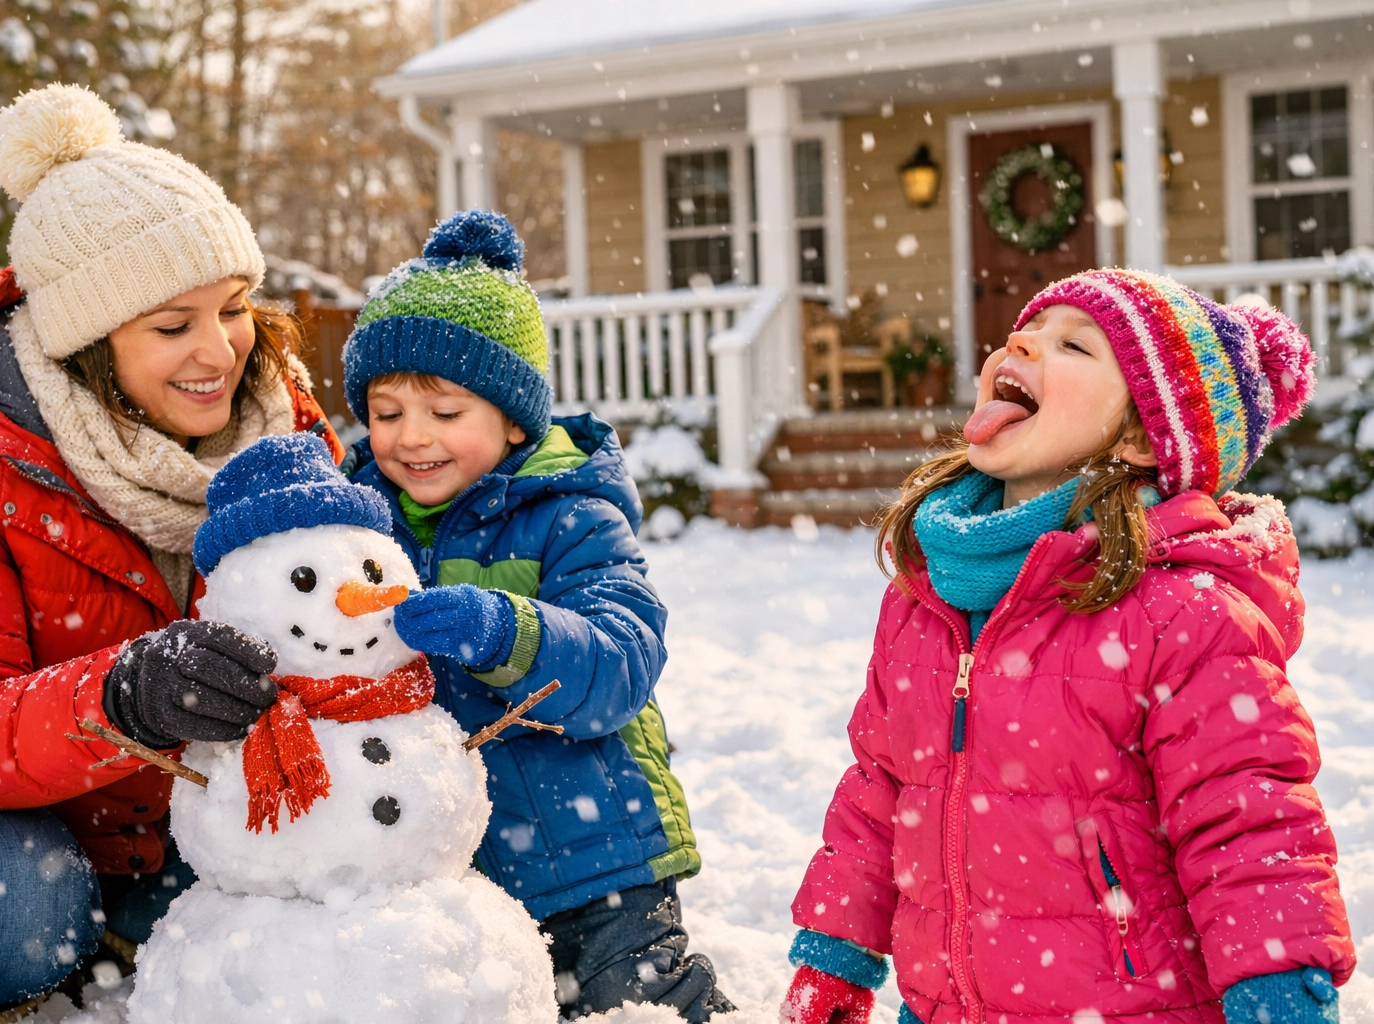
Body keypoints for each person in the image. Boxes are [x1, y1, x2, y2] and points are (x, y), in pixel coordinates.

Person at [0, 84, 341, 1022]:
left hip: (150, 816)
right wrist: (122, 697)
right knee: (14, 912)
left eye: (233, 308)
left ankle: (112, 916)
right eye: (171, 324)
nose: (221, 351)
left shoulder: (284, 440)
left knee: (279, 915)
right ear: (86, 344)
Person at [781, 270, 1354, 1024]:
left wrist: (1279, 985)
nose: (1022, 342)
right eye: (1027, 332)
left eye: (1072, 345)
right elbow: (880, 792)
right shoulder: (929, 595)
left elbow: (1246, 820)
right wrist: (834, 952)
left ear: (1142, 435)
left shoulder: (1183, 614)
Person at [339, 209, 733, 1021]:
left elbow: (620, 660)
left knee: (639, 1006)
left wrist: (509, 631)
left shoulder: (573, 517)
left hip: (596, 862)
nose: (412, 437)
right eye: (386, 412)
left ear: (515, 419)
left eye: (445, 413)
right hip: (447, 874)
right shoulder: (353, 530)